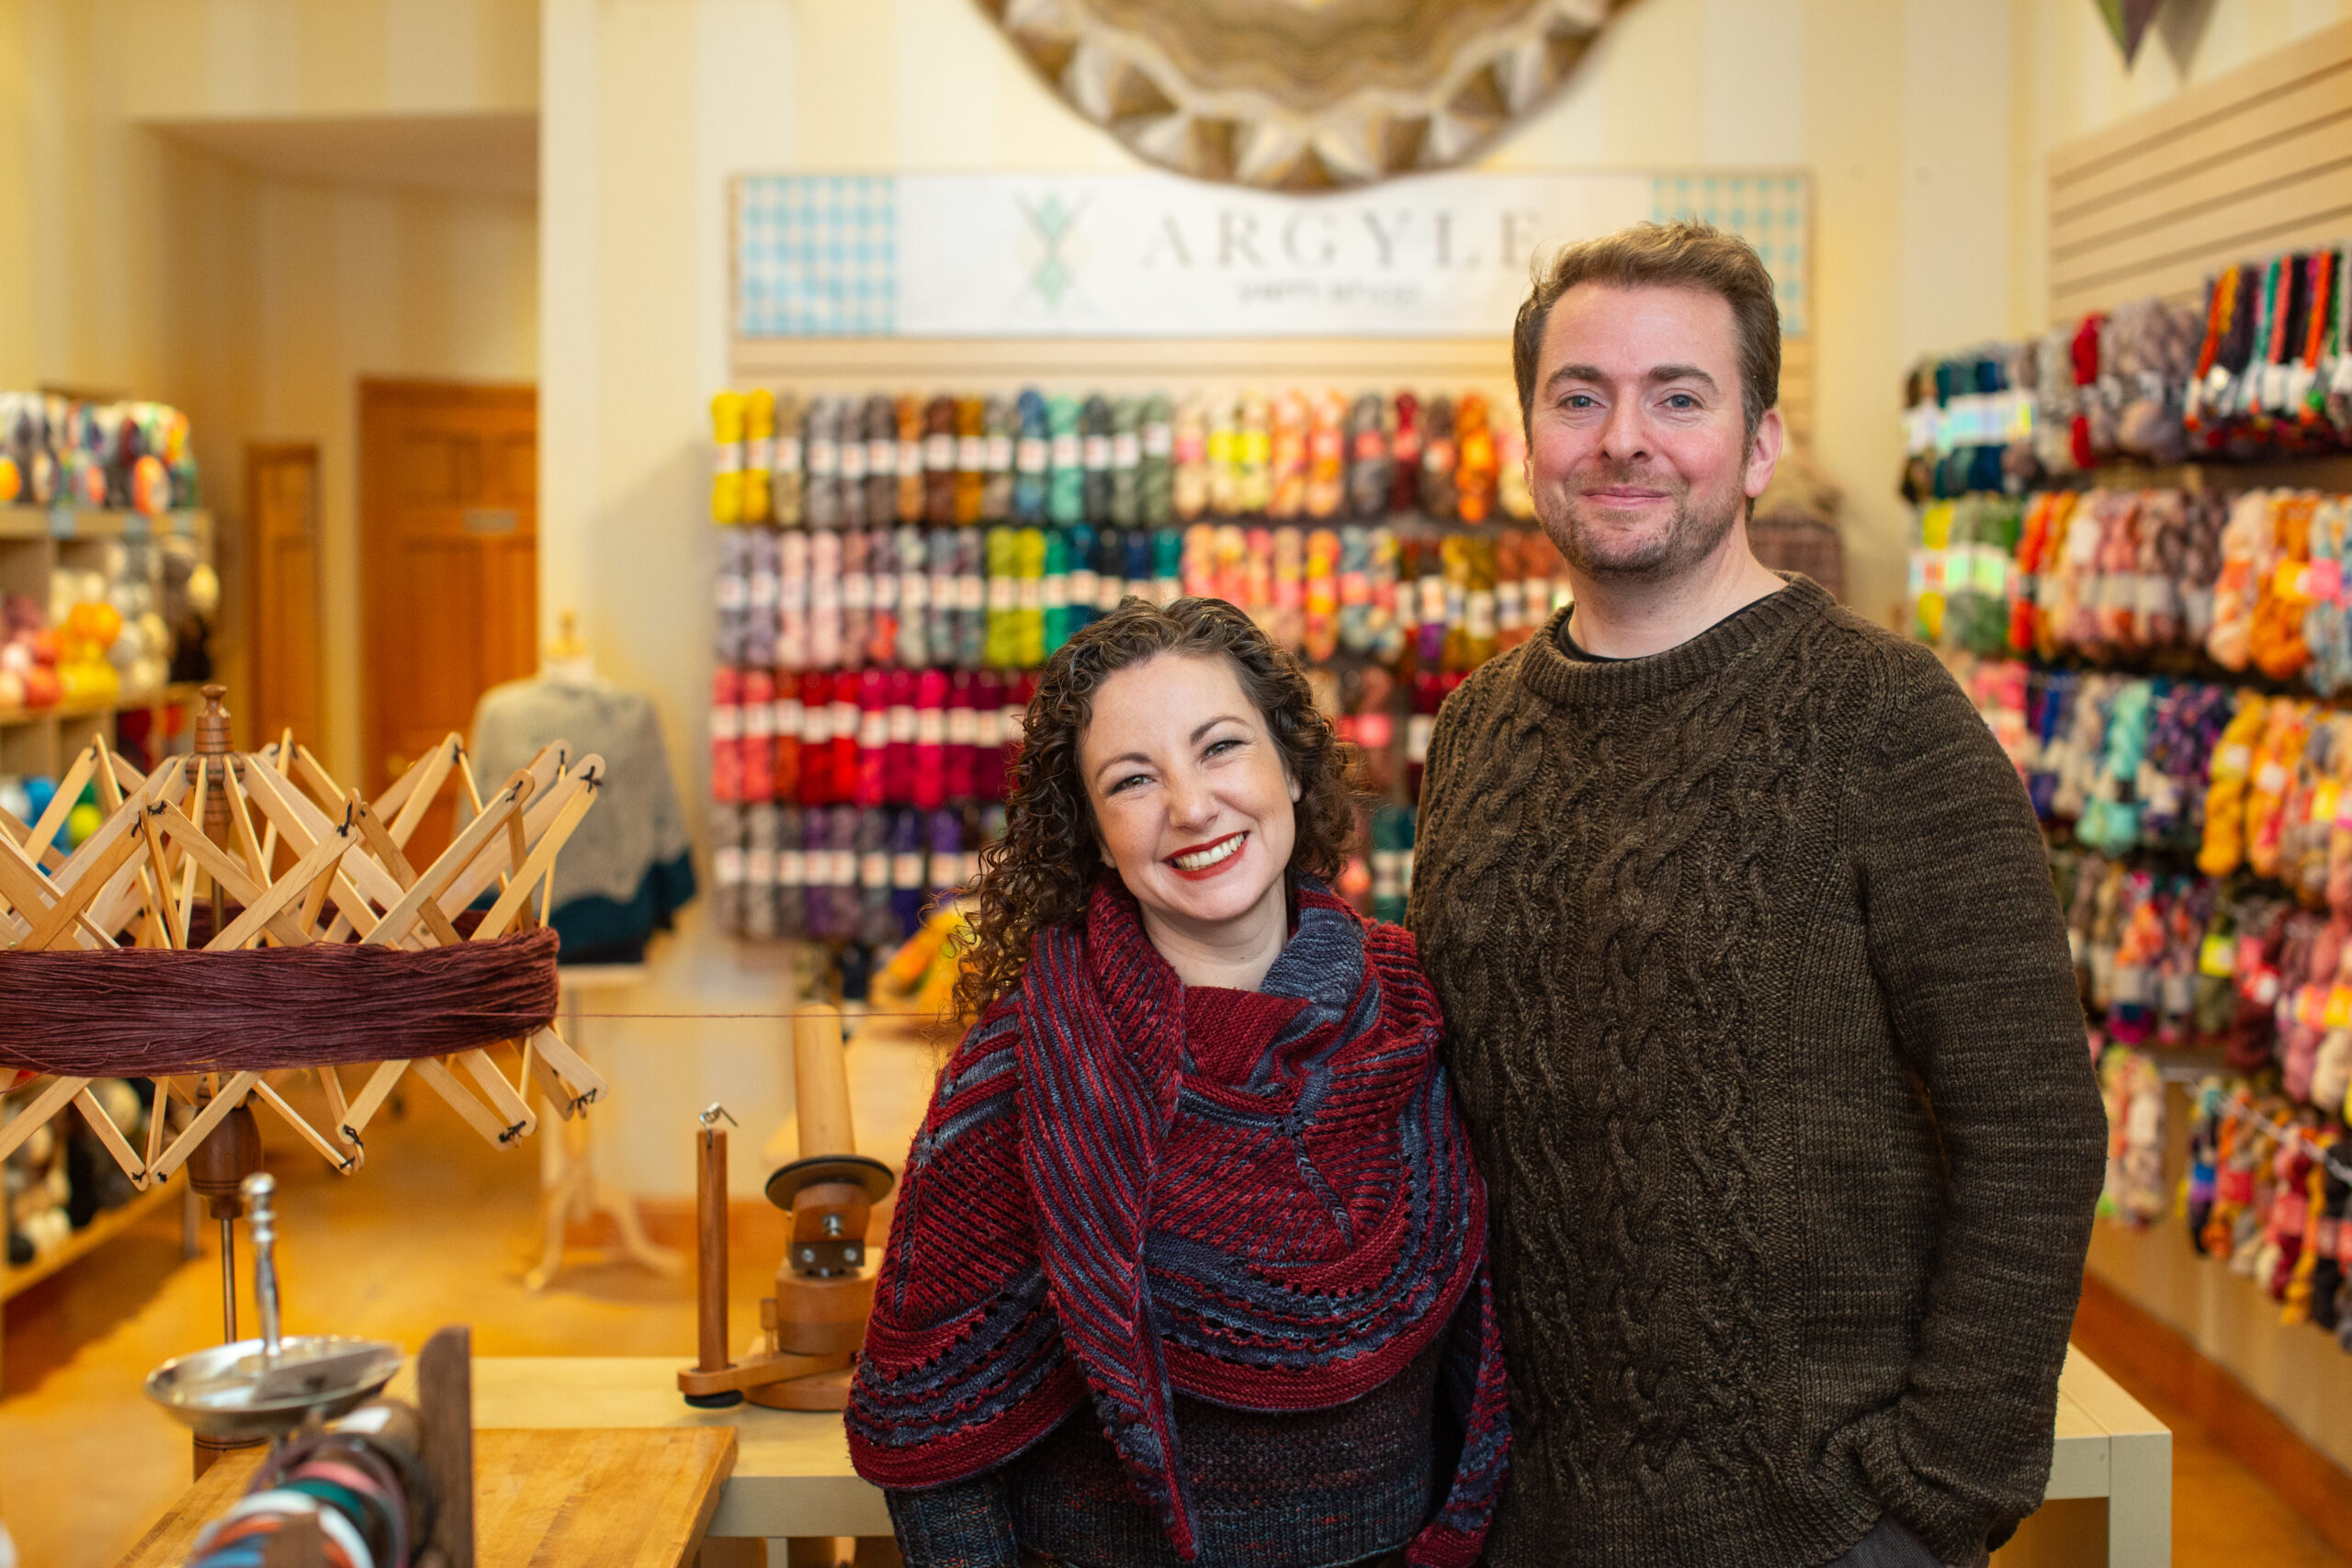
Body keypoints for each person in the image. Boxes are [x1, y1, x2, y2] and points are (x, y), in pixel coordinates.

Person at [1406, 221, 2108, 1568]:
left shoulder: (1883, 718)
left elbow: (2032, 1125)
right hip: (1519, 1512)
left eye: (1680, 395)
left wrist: (1933, 1498)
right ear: (1529, 435)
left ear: (1761, 443)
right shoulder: (1479, 727)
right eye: (1579, 395)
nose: (1624, 437)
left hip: (1814, 1522)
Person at [848, 596, 1510, 1568]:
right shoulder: (1020, 1080)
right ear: (1092, 831)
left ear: (1289, 764)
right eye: (1131, 780)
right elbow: (932, 1448)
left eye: (1219, 748)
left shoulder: (1412, 1013)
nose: (1191, 807)